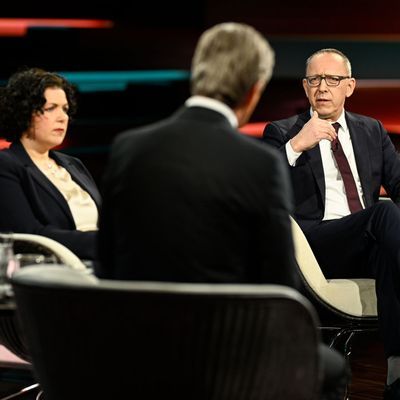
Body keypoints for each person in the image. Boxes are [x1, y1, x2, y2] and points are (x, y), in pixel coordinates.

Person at [97, 23, 348, 399]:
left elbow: (107, 265)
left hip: (135, 350)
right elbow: (279, 291)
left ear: (198, 73)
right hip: (224, 356)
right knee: (331, 368)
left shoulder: (127, 148)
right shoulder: (260, 164)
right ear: (252, 90)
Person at [263, 48, 400, 400]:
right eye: (315, 79)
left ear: (349, 86)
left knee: (387, 246)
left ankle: (397, 373)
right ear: (305, 87)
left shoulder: (371, 130)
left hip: (367, 238)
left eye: (333, 79)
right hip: (316, 245)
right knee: (383, 216)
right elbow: (260, 188)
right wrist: (296, 146)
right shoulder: (282, 132)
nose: (323, 87)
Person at [0, 67, 101, 261]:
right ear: (24, 112)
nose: (63, 117)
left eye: (65, 109)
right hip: (53, 271)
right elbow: (30, 235)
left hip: (100, 262)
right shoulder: (6, 164)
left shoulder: (73, 164)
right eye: (50, 108)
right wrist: (103, 243)